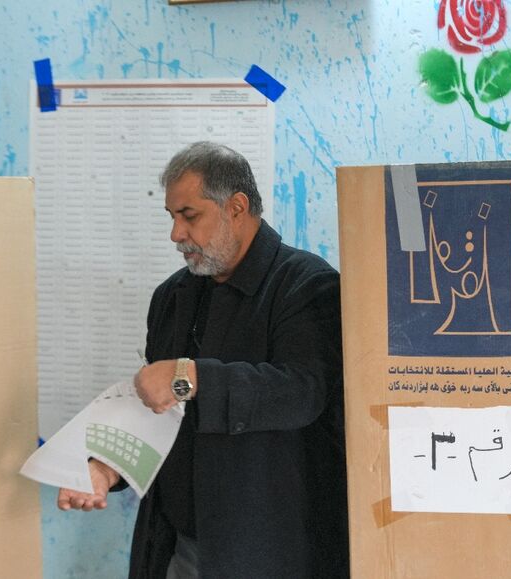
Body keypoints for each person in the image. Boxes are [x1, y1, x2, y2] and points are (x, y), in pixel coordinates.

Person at [57, 141, 349, 578]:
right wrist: (107, 468)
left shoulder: (308, 285)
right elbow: (157, 409)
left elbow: (303, 392)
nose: (176, 233)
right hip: (180, 543)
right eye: (172, 217)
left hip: (271, 549)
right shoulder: (173, 295)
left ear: (236, 206)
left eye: (189, 216)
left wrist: (191, 377)